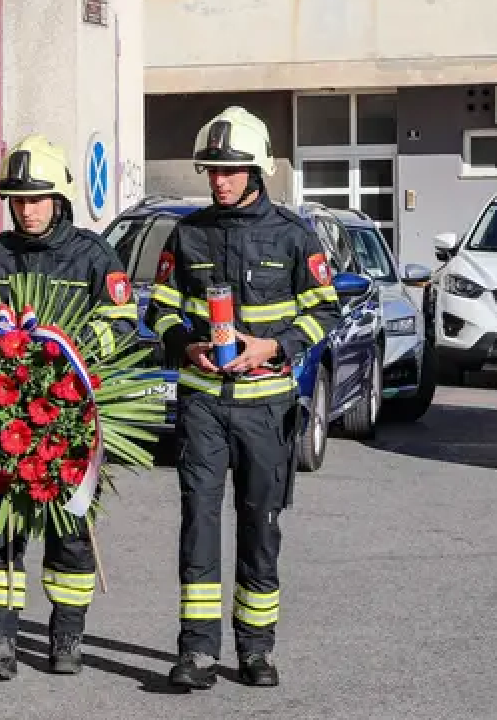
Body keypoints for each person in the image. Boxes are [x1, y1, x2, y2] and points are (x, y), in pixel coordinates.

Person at [143, 107, 339, 690]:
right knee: (198, 522)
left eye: (229, 171)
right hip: (203, 403)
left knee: (261, 523)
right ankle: (197, 652)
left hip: (267, 406)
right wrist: (184, 346)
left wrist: (273, 348)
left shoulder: (293, 234)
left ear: (256, 170)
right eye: (211, 171)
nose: (219, 181)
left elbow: (325, 309)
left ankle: (256, 650)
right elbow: (160, 307)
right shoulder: (188, 233)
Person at [0, 133, 139, 679]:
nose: (26, 209)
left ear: (59, 198)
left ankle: (66, 638)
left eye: (36, 199)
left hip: (70, 420)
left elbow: (124, 323)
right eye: (17, 199)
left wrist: (72, 353)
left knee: (70, 530)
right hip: (5, 420)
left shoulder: (94, 255)